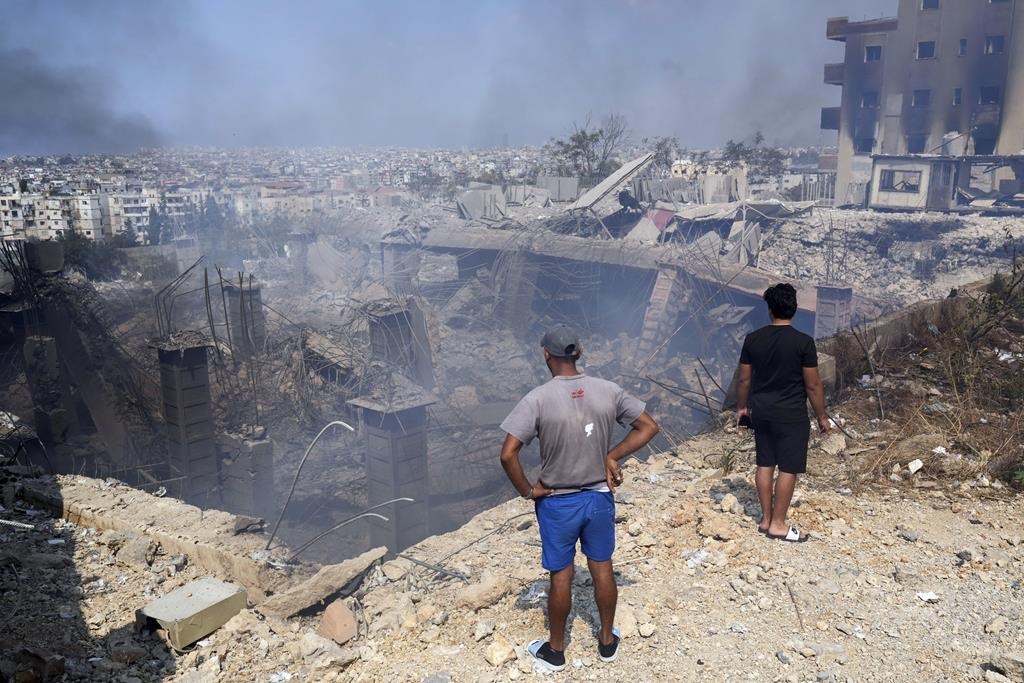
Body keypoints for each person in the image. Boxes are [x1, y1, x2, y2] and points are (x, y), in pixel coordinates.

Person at [499, 324, 659, 672]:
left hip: (557, 501)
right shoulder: (608, 390)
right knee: (602, 567)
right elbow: (648, 426)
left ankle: (556, 651)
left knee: (561, 574)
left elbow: (508, 454)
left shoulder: (537, 399)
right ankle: (606, 642)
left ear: (546, 355)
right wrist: (612, 455)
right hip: (599, 497)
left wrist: (528, 490)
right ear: (580, 352)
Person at [735, 283, 830, 543]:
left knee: (764, 463)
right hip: (791, 415)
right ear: (794, 309)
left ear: (770, 310)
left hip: (761, 412)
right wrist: (822, 416)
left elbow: (744, 380)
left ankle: (765, 518)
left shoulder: (753, 339)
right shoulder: (803, 342)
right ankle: (778, 523)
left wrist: (742, 408)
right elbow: (812, 384)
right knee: (788, 467)